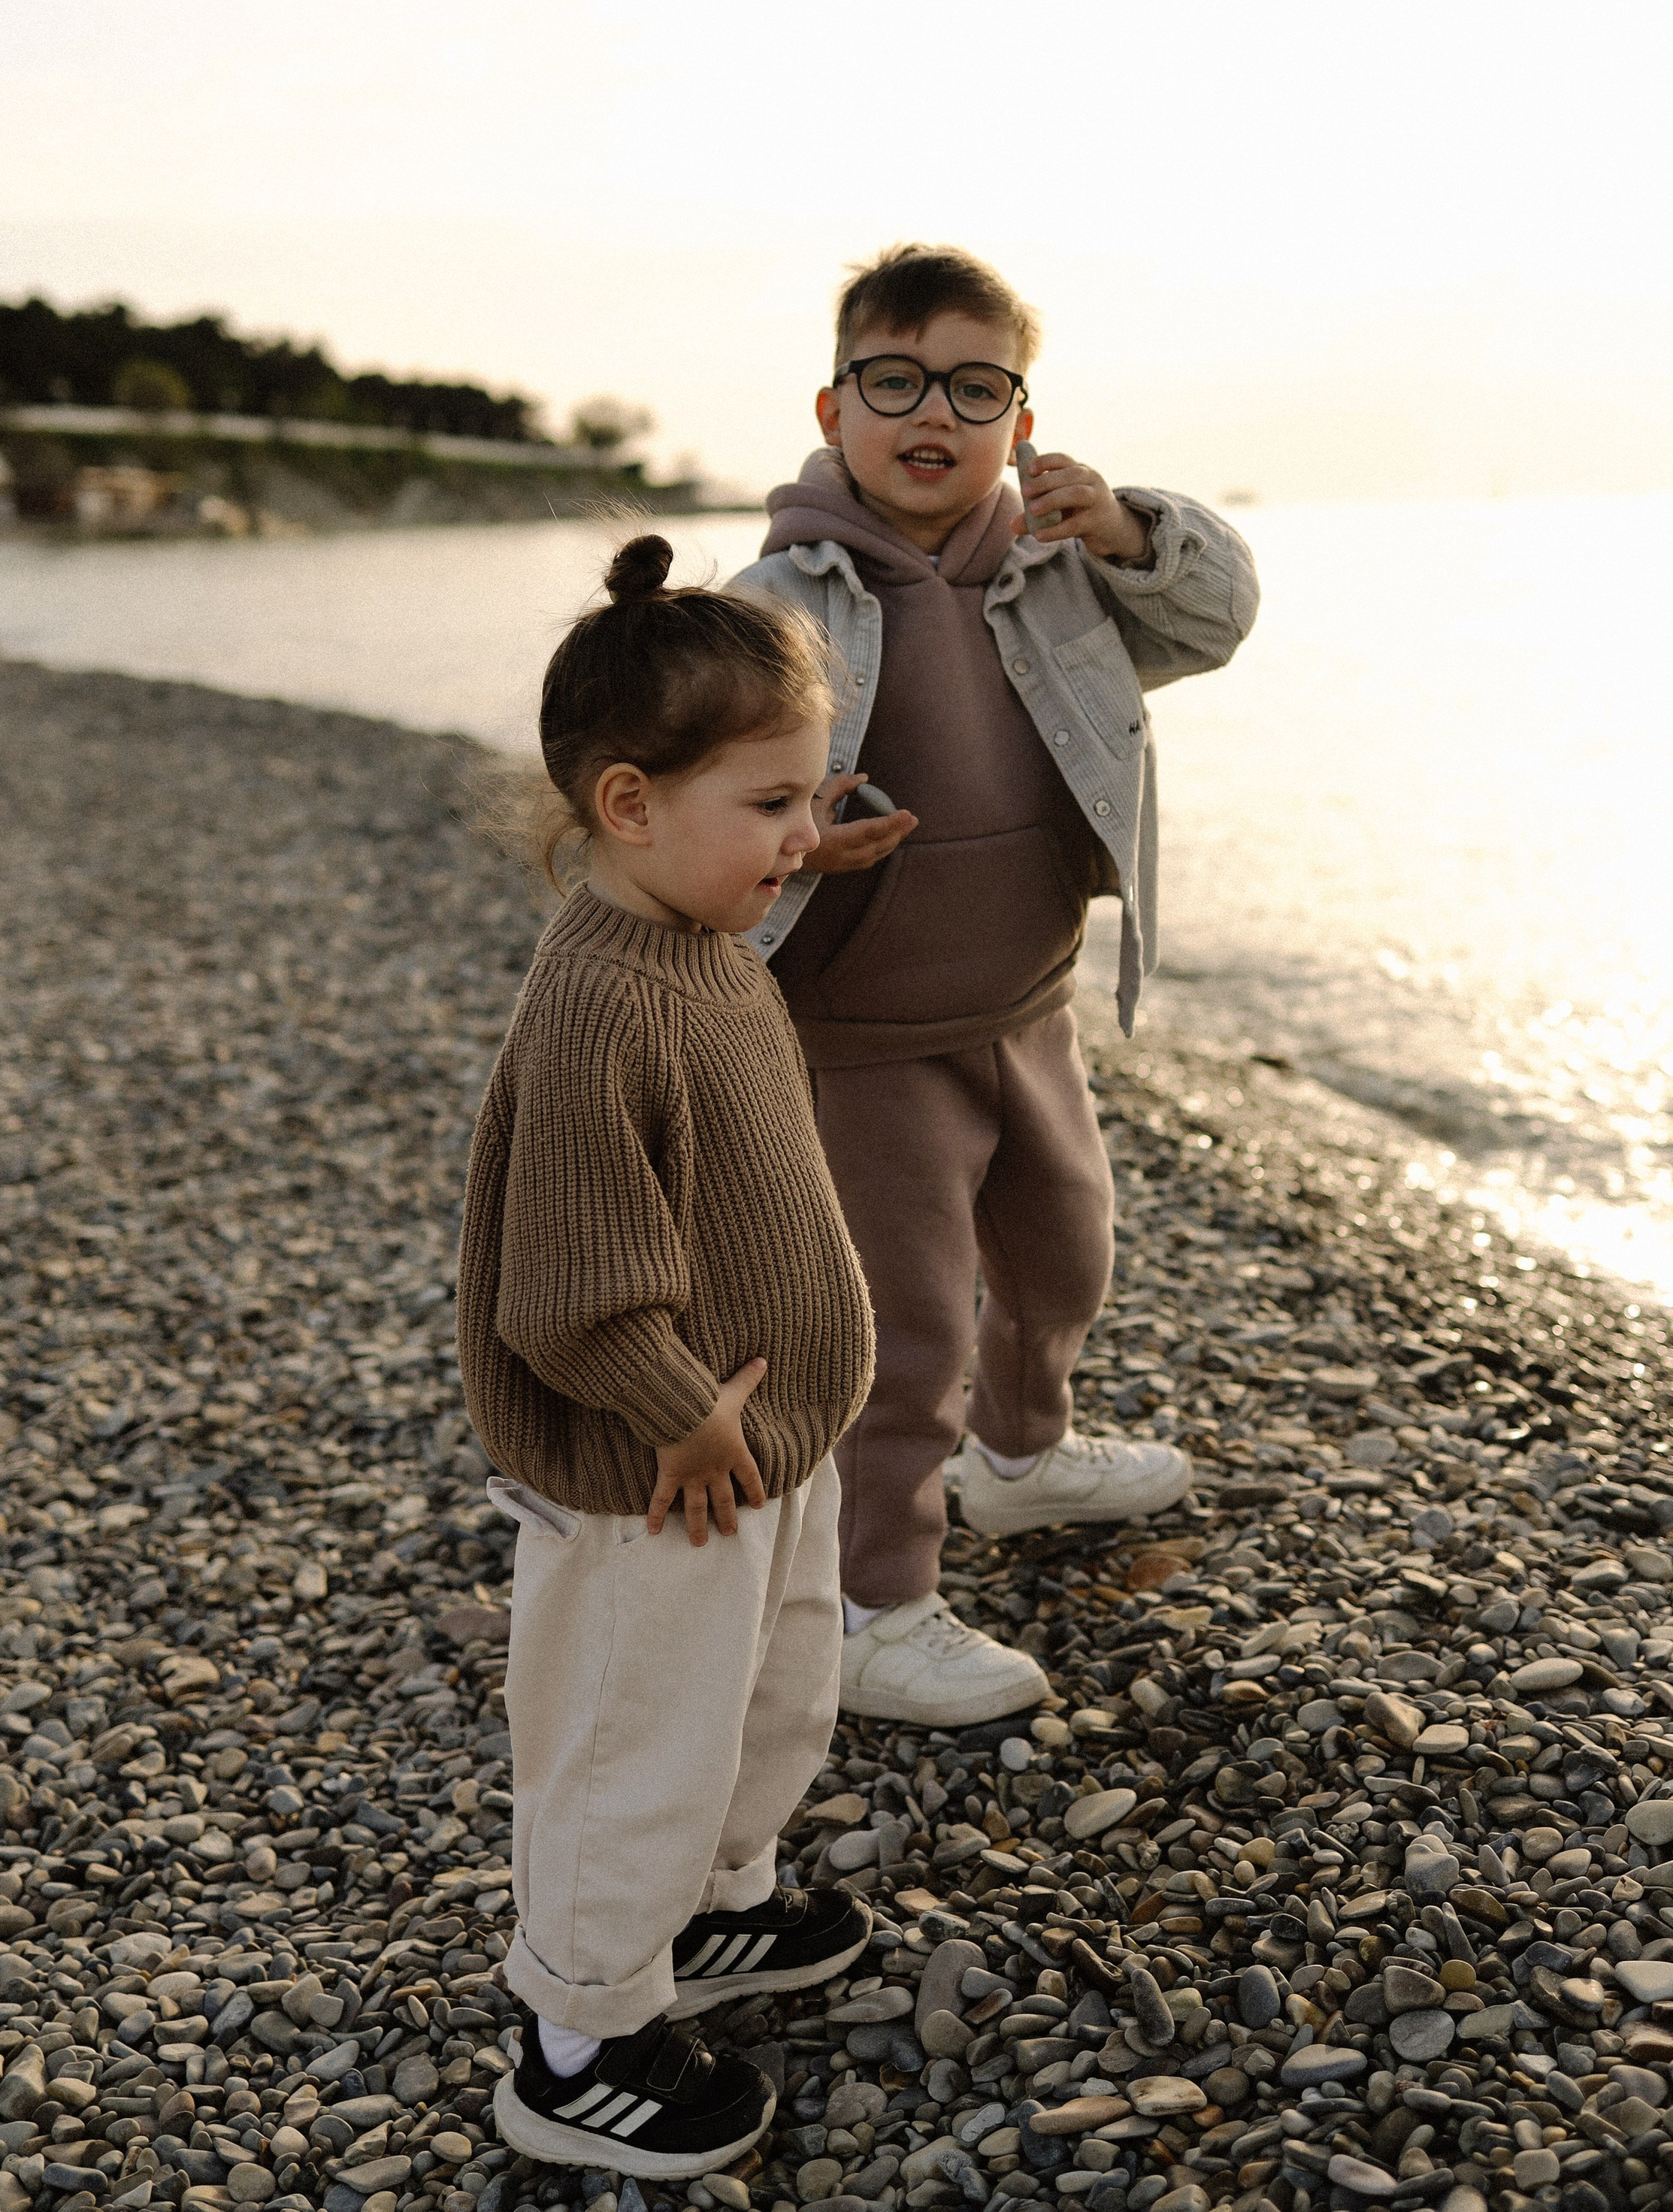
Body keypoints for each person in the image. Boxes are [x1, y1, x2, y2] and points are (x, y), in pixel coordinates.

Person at [733, 244, 1259, 1727]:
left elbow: (1213, 623)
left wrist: (1138, 528)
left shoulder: (1059, 572)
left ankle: (1020, 1458)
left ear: (1021, 425)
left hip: (1030, 1004)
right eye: (894, 382)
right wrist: (789, 836)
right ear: (833, 408)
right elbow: (706, 776)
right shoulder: (783, 595)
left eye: (976, 390)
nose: (932, 414)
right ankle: (870, 1604)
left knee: (1061, 1253)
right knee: (900, 1328)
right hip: (863, 1037)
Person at [458, 536, 877, 2184]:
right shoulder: (598, 1001)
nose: (802, 837)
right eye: (772, 804)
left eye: (811, 798)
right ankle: (577, 2030)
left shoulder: (700, 944)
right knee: (636, 1738)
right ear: (629, 805)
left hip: (762, 1441)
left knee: (767, 1695)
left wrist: (798, 847)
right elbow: (566, 1283)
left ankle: (711, 1908)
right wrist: (677, 1413)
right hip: (663, 1469)